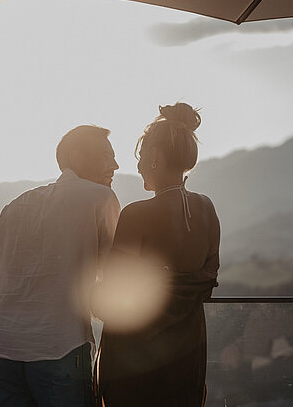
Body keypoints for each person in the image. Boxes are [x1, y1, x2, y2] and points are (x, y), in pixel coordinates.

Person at [0, 125, 121, 407]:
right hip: (62, 350)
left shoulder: (16, 205)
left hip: (1, 354)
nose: (116, 165)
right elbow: (116, 280)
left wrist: (21, 289)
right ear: (78, 158)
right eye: (107, 155)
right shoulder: (100, 198)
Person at [93, 103, 221, 407]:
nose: (137, 167)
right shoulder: (207, 209)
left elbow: (112, 296)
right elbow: (206, 282)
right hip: (187, 355)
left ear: (154, 157)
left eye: (140, 157)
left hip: (136, 361)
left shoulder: (137, 214)